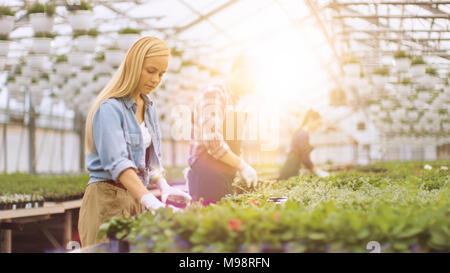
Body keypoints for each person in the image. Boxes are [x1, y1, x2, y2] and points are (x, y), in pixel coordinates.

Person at [79, 37, 191, 247]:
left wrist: (162, 185)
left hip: (136, 199)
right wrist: (150, 201)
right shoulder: (110, 109)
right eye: (150, 70)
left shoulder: (149, 107)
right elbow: (118, 164)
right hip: (107, 199)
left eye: (161, 73)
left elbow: (152, 160)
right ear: (134, 65)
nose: (156, 79)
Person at [186, 55, 258, 202]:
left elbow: (233, 142)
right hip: (207, 174)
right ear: (239, 72)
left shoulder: (236, 100)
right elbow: (213, 141)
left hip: (224, 174)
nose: (252, 86)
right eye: (251, 80)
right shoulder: (215, 93)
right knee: (209, 221)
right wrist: (242, 166)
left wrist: (238, 167)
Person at [278, 109, 329, 180]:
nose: (317, 126)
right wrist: (317, 171)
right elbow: (305, 159)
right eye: (318, 124)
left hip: (290, 167)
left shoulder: (300, 132)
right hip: (291, 169)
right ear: (310, 120)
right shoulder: (303, 134)